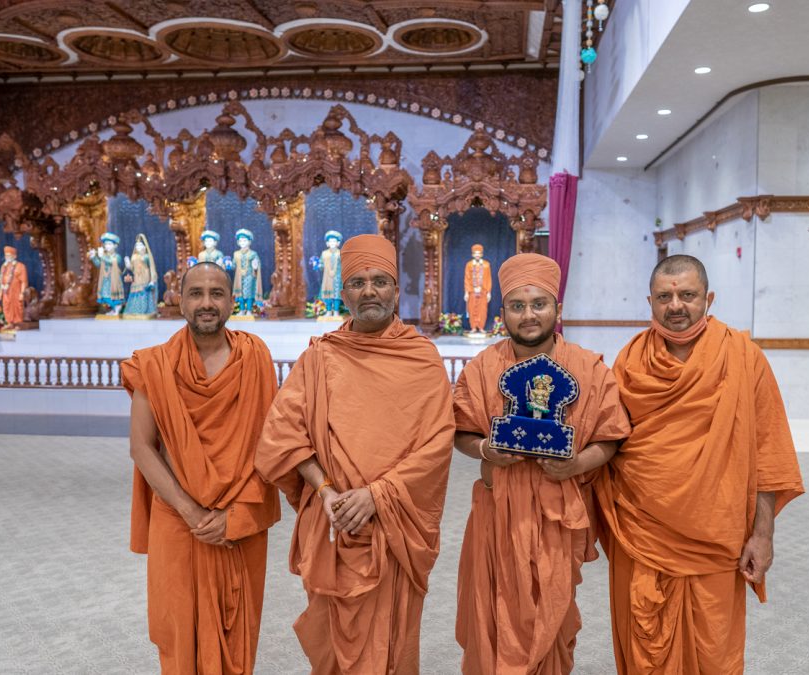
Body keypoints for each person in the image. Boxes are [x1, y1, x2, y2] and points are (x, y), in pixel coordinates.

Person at [595, 254, 805, 674]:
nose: (676, 306)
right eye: (664, 297)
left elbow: (769, 452)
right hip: (642, 531)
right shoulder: (631, 362)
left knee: (713, 649)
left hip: (716, 536)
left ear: (708, 298)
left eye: (687, 295)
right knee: (644, 641)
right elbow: (608, 440)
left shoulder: (744, 358)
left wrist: (763, 535)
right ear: (650, 302)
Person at [256, 234, 454, 674]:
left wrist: (377, 495)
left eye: (380, 281)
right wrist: (325, 491)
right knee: (332, 642)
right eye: (358, 282)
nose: (369, 291)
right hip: (333, 521)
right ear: (342, 292)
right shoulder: (321, 357)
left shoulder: (421, 358)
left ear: (396, 290)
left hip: (395, 524)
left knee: (392, 639)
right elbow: (282, 436)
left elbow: (437, 444)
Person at [453, 252, 631, 674]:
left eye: (539, 304)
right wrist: (485, 452)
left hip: (559, 516)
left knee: (551, 618)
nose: (529, 315)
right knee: (493, 615)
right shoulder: (482, 369)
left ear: (557, 309)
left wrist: (576, 464)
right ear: (503, 313)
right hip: (498, 512)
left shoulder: (589, 368)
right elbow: (460, 431)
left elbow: (611, 438)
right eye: (517, 306)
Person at [121, 262, 280, 675]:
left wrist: (234, 516)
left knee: (237, 625)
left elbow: (268, 443)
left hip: (240, 517)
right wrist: (194, 514)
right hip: (177, 517)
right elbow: (142, 447)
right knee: (177, 627)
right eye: (196, 293)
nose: (206, 303)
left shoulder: (255, 356)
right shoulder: (153, 364)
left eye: (216, 293)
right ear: (180, 301)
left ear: (231, 300)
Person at [463, 244, 493, 334]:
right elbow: (466, 279)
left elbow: (489, 279)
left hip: (483, 291)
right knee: (472, 309)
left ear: (481, 254)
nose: (477, 255)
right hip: (472, 291)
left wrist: (488, 292)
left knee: (482, 310)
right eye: (475, 253)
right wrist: (467, 292)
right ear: (472, 254)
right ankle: (473, 327)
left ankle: (481, 327)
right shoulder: (469, 265)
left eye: (479, 253)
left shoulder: (486, 265)